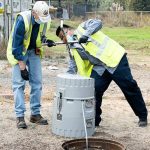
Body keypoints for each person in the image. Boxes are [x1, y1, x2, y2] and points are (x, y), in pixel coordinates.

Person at [56, 19, 148, 127]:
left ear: (69, 30)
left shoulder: (83, 27)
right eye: (61, 39)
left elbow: (98, 23)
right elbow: (72, 68)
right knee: (93, 90)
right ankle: (94, 120)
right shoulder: (72, 49)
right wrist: (65, 82)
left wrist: (86, 35)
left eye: (63, 36)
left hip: (115, 59)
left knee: (129, 86)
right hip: (100, 68)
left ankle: (142, 116)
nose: (64, 40)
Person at [7, 1, 56, 129]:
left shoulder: (45, 20)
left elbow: (40, 36)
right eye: (40, 17)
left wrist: (46, 41)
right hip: (20, 52)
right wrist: (22, 68)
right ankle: (20, 116)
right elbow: (16, 47)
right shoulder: (22, 20)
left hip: (34, 52)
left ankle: (35, 114)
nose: (43, 20)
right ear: (34, 13)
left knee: (37, 83)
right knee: (19, 84)